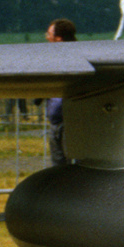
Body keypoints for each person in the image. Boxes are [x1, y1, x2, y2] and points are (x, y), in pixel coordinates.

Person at [45, 18, 77, 164]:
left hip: (71, 122)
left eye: (50, 34)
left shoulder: (74, 57)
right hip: (56, 121)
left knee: (72, 163)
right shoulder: (53, 58)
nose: (47, 37)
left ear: (59, 38)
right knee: (58, 166)